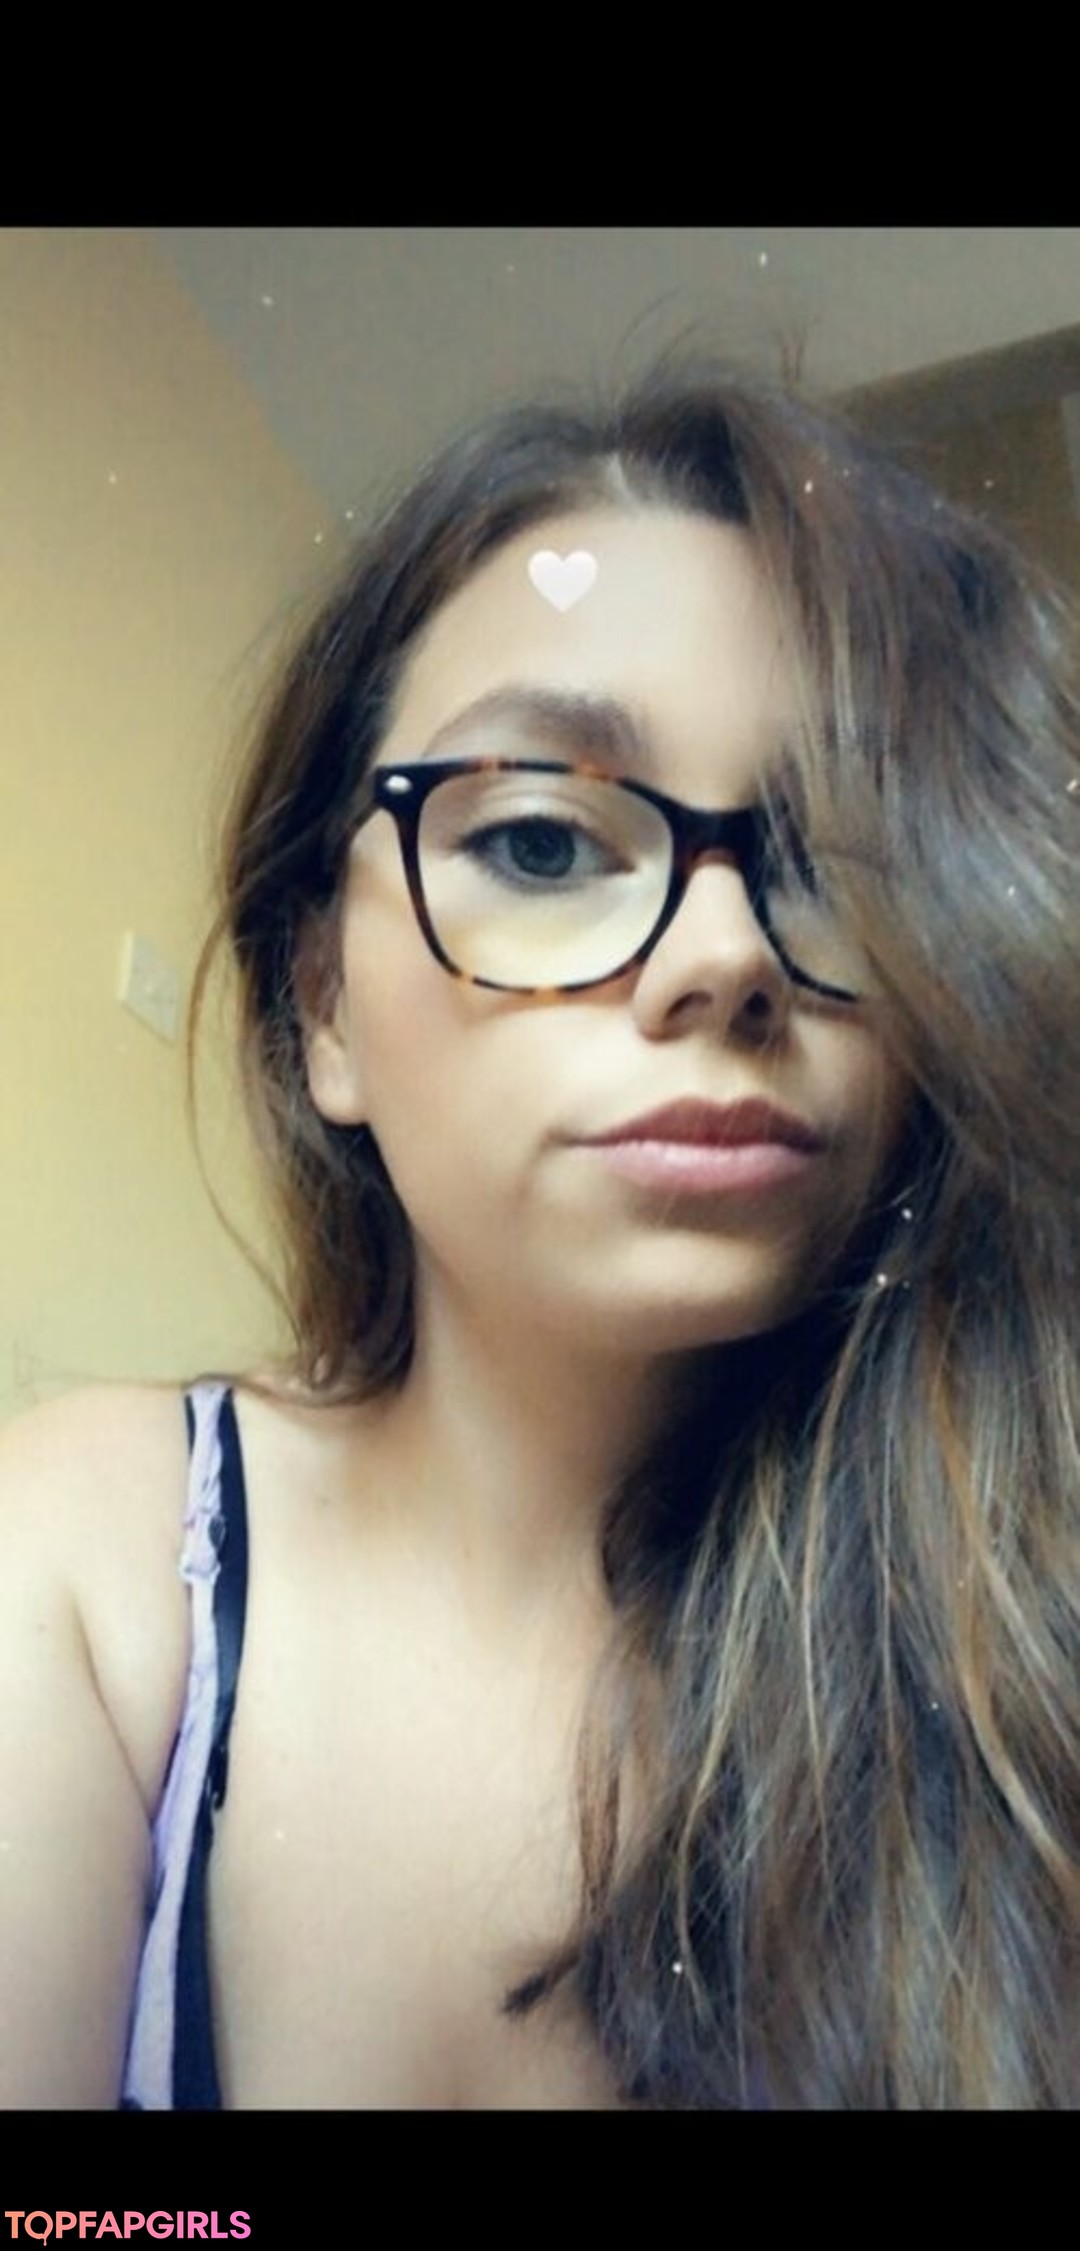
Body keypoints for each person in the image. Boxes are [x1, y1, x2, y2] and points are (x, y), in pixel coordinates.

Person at [2, 354, 1078, 2111]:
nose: (726, 955)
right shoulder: (89, 1568)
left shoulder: (1021, 1669)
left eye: (840, 865)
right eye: (542, 841)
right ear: (323, 1006)